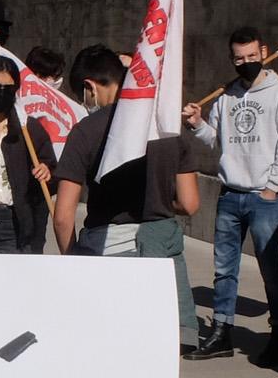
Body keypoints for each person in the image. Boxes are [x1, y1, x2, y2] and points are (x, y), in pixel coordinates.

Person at [52, 45, 200, 348]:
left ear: (89, 87)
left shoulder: (85, 131)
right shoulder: (167, 125)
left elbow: (63, 216)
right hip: (164, 256)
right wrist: (157, 199)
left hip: (108, 255)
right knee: (160, 351)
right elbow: (189, 203)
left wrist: (73, 262)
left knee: (109, 349)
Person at [183, 26, 278, 364]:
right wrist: (196, 123)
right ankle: (222, 331)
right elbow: (215, 141)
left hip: (262, 198)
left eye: (252, 56)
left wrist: (271, 188)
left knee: (270, 268)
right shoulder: (226, 96)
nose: (246, 62)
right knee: (224, 268)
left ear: (264, 52)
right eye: (239, 58)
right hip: (230, 193)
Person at [0, 54, 46, 254]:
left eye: (8, 88)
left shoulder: (28, 130)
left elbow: (51, 172)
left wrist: (46, 172)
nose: (1, 93)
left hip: (12, 224)